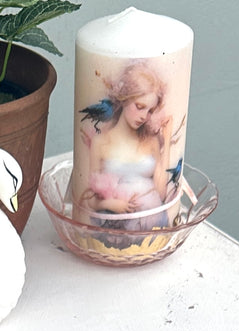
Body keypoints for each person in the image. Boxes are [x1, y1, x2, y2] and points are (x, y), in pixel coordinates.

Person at [76, 61, 178, 222]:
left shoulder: (151, 142)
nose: (144, 116)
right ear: (124, 99)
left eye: (150, 111)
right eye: (139, 106)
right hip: (115, 226)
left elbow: (161, 194)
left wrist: (166, 138)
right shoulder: (101, 142)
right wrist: (111, 204)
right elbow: (89, 197)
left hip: (153, 222)